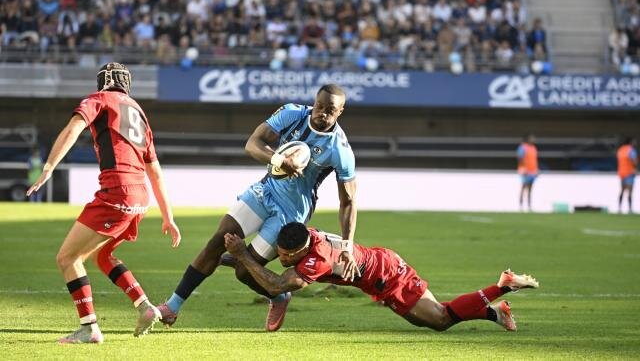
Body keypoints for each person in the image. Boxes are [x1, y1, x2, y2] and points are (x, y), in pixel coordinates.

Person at [154, 84, 358, 332]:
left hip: (291, 212)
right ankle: (172, 307)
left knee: (244, 271)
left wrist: (347, 246)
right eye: (319, 106)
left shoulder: (339, 149)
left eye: (330, 110)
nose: (322, 113)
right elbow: (252, 143)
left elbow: (348, 201)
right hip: (264, 191)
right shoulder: (292, 113)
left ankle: (279, 297)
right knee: (218, 240)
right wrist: (279, 160)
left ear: (340, 111)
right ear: (314, 102)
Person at [26, 62, 181, 344]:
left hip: (117, 193)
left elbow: (73, 128)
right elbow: (155, 170)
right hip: (140, 196)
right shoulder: (138, 112)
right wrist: (168, 217)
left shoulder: (100, 99)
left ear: (102, 82)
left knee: (67, 258)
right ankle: (145, 306)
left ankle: (89, 328)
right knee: (103, 256)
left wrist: (48, 166)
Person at [224, 223, 539, 332]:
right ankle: (496, 313)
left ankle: (502, 287)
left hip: (387, 277)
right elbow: (275, 269)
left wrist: (241, 256)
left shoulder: (317, 259)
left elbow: (278, 284)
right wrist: (236, 257)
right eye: (280, 253)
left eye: (287, 256)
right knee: (431, 317)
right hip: (380, 266)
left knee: (441, 320)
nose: (282, 259)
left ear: (302, 251)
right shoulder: (304, 236)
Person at [517, 134, 538, 212]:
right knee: (523, 188)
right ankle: (521, 206)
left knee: (530, 189)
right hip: (525, 171)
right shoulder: (523, 147)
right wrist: (523, 168)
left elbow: (534, 160)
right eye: (532, 138)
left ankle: (529, 206)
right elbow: (520, 158)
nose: (533, 140)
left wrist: (536, 170)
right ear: (528, 139)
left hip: (533, 171)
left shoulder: (534, 148)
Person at [617, 137, 637, 214]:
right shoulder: (631, 150)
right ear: (630, 142)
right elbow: (634, 161)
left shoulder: (620, 150)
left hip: (622, 172)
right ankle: (630, 209)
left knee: (622, 191)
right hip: (629, 173)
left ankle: (619, 209)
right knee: (630, 192)